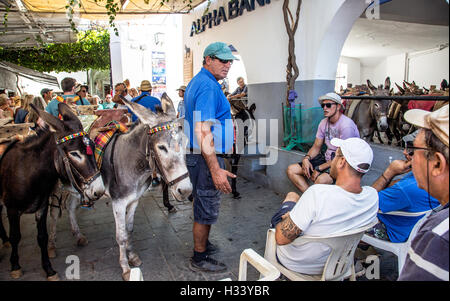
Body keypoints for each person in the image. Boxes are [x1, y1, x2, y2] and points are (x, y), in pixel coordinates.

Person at [272, 137, 378, 275]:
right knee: (295, 200)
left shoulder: (317, 194)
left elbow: (281, 238)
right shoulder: (373, 197)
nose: (332, 161)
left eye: (334, 156)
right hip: (340, 263)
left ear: (341, 162)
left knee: (291, 198)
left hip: (298, 263)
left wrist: (290, 218)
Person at [184, 42, 238, 272]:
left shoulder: (202, 82)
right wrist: (216, 169)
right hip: (205, 156)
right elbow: (202, 129)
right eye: (222, 60)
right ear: (207, 59)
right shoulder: (207, 86)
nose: (228, 64)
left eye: (230, 61)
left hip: (200, 155)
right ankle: (199, 256)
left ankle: (203, 243)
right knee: (205, 204)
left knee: (203, 202)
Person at [397, 104, 449, 281]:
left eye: (413, 149)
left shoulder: (437, 240)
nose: (407, 154)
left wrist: (388, 173)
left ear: (437, 164)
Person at [365, 131, 441, 243]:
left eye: (411, 149)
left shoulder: (407, 189)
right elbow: (396, 184)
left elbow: (364, 204)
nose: (405, 152)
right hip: (405, 228)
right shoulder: (428, 175)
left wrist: (389, 172)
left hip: (391, 230)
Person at [286, 92, 360, 193]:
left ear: (338, 107)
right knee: (291, 170)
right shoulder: (323, 123)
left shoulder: (347, 126)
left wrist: (319, 168)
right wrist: (306, 159)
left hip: (343, 164)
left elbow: (343, 156)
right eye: (323, 105)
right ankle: (310, 198)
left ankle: (312, 200)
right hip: (327, 159)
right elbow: (316, 146)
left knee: (320, 181)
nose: (325, 108)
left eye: (328, 105)